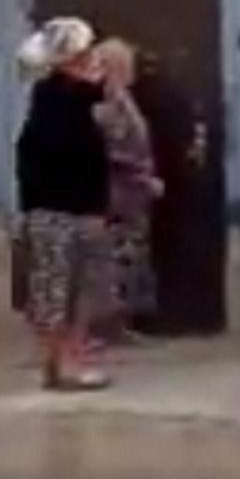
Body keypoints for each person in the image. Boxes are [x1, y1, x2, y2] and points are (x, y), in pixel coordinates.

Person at [16, 17, 112, 391]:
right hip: (59, 210)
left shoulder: (81, 101)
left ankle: (69, 358)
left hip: (82, 209)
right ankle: (60, 362)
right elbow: (60, 156)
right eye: (85, 56)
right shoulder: (56, 101)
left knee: (81, 290)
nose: (93, 62)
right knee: (58, 290)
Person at [90, 38, 163, 346]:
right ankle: (101, 327)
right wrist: (140, 174)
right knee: (111, 261)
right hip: (116, 193)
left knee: (129, 260)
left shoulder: (122, 98)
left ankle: (119, 324)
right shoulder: (103, 103)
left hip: (132, 195)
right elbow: (104, 150)